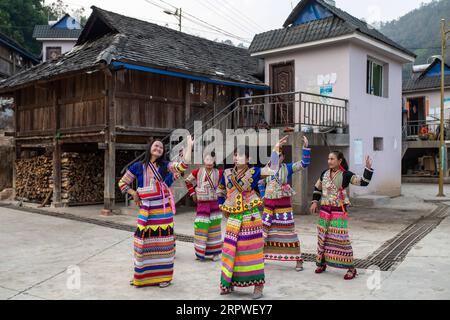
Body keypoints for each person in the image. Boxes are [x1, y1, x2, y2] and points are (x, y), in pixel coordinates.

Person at [217, 136, 288, 300]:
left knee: (252, 251)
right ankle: (228, 283)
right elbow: (220, 190)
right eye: (235, 155)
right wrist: (222, 205)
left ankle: (258, 286)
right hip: (233, 217)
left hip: (251, 217)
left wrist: (276, 149)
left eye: (240, 155)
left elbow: (273, 169)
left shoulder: (255, 171)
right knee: (230, 250)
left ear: (248, 159)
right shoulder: (226, 173)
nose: (236, 157)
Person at [118, 136, 194, 288]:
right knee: (142, 242)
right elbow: (122, 183)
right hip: (145, 209)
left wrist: (189, 147)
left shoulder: (166, 165)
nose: (158, 148)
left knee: (163, 243)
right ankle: (142, 276)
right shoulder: (138, 166)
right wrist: (133, 193)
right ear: (150, 148)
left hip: (162, 209)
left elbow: (183, 166)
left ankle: (164, 277)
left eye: (161, 147)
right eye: (156, 146)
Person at [310, 151, 374, 280]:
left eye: (332, 159)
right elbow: (317, 188)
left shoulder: (346, 175)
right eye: (328, 158)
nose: (329, 161)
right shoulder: (324, 174)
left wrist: (368, 169)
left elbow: (364, 182)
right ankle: (321, 263)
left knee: (341, 239)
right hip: (324, 211)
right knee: (323, 236)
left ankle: (351, 268)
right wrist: (315, 202)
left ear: (339, 161)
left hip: (338, 211)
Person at [260, 136, 311, 271]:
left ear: (283, 157)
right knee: (265, 232)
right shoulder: (266, 170)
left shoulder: (288, 168)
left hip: (284, 207)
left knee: (288, 233)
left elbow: (304, 164)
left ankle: (298, 260)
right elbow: (259, 182)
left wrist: (305, 148)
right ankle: (261, 256)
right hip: (268, 206)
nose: (277, 157)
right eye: (274, 155)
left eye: (279, 155)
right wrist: (262, 195)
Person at [185, 152, 224, 261]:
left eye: (211, 159)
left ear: (215, 160)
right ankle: (200, 253)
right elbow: (187, 181)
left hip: (214, 204)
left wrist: (222, 196)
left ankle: (215, 253)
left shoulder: (219, 173)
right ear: (203, 160)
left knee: (214, 228)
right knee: (201, 227)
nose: (209, 162)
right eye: (207, 159)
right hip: (202, 204)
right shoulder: (197, 171)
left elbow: (225, 184)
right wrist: (192, 193)